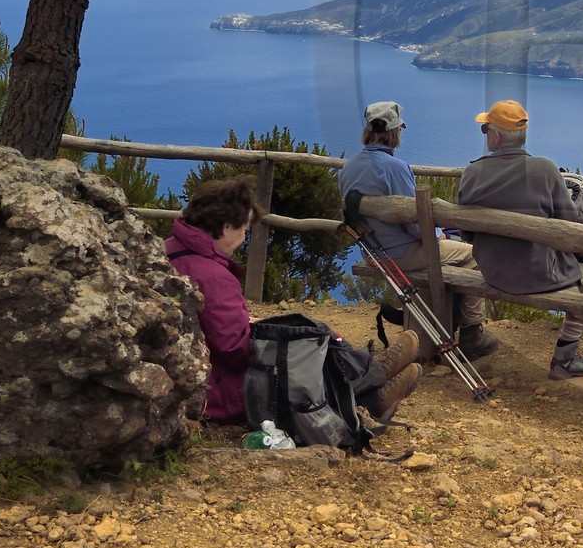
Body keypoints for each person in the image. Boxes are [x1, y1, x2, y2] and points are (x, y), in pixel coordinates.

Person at [166, 176, 421, 424]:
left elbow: (216, 327)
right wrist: (287, 336)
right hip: (222, 389)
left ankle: (372, 378)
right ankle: (374, 385)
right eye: (244, 230)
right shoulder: (214, 276)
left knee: (306, 334)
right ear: (225, 228)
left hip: (202, 374)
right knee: (305, 349)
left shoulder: (170, 250)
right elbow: (236, 349)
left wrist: (256, 323)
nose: (244, 239)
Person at [338, 101, 499, 358]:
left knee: (451, 253)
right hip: (402, 254)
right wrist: (438, 235)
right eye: (400, 130)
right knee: (471, 254)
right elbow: (414, 224)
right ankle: (471, 332)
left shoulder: (349, 167)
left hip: (373, 252)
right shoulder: (396, 168)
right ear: (394, 132)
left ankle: (442, 319)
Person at [456, 99, 583, 379]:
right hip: (539, 276)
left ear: (497, 137)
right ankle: (564, 360)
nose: (485, 133)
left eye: (486, 129)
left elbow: (467, 233)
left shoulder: (472, 173)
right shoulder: (544, 170)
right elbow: (569, 227)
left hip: (493, 273)